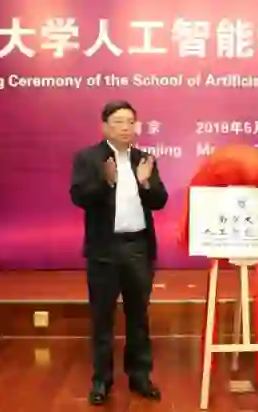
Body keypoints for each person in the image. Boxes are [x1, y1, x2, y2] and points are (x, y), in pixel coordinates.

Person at [70, 100, 168, 405]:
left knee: (139, 317)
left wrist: (145, 183)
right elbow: (79, 197)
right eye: (118, 122)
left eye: (130, 122)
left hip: (138, 247)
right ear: (105, 127)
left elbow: (160, 200)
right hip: (105, 250)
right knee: (103, 318)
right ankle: (102, 380)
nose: (126, 128)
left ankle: (140, 377)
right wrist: (107, 183)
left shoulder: (143, 159)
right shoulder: (89, 158)